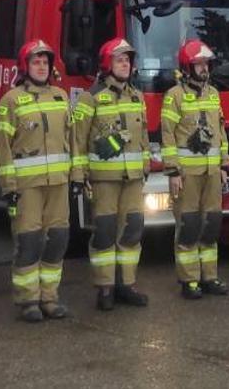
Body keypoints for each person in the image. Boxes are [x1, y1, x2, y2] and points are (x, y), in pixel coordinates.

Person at [0, 39, 77, 323]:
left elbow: (73, 139)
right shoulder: (11, 100)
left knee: (57, 240)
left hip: (58, 184)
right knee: (29, 242)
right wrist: (8, 187)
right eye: (36, 62)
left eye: (45, 62)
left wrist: (76, 177)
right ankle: (28, 300)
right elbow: (2, 146)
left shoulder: (60, 96)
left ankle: (49, 298)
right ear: (25, 67)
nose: (41, 67)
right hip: (26, 187)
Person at [73, 38, 151, 310]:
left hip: (132, 180)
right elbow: (78, 140)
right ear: (107, 64)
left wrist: (145, 166)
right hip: (104, 180)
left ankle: (126, 285)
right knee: (105, 233)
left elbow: (141, 138)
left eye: (128, 60)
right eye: (120, 59)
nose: (125, 64)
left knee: (131, 233)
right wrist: (79, 175)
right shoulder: (90, 97)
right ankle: (105, 288)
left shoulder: (137, 96)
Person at [160, 39, 229, 299]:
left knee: (211, 225)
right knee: (189, 226)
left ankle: (209, 276)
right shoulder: (174, 96)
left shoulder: (213, 94)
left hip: (212, 173)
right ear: (186, 67)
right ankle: (189, 280)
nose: (203, 68)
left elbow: (220, 132)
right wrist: (172, 171)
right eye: (198, 64)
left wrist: (224, 164)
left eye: (205, 64)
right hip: (187, 176)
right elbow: (167, 136)